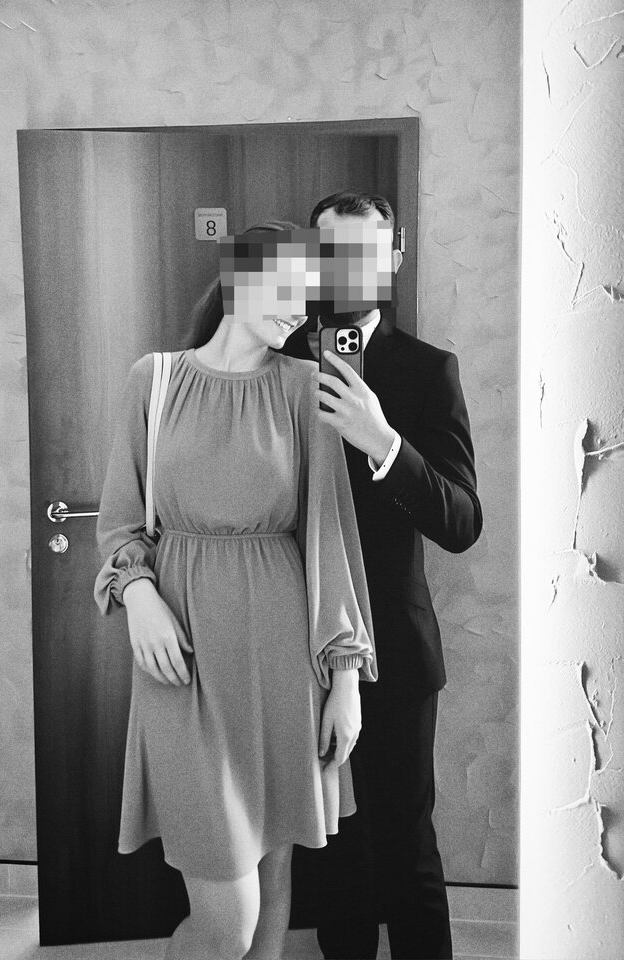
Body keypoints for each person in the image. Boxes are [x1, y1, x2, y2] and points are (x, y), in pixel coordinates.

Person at [93, 221, 376, 960]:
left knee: (273, 882)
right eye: (290, 288)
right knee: (229, 923)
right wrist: (138, 594)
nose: (301, 310)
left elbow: (330, 535)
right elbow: (119, 522)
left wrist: (345, 678)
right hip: (182, 665)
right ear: (242, 277)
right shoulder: (155, 378)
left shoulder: (305, 386)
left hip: (284, 661)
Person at [282, 191, 483, 960]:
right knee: (330, 851)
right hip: (299, 643)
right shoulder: (277, 357)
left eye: (366, 252)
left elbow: (461, 522)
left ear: (392, 256)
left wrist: (383, 442)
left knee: (406, 851)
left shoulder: (428, 370)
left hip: (395, 653)